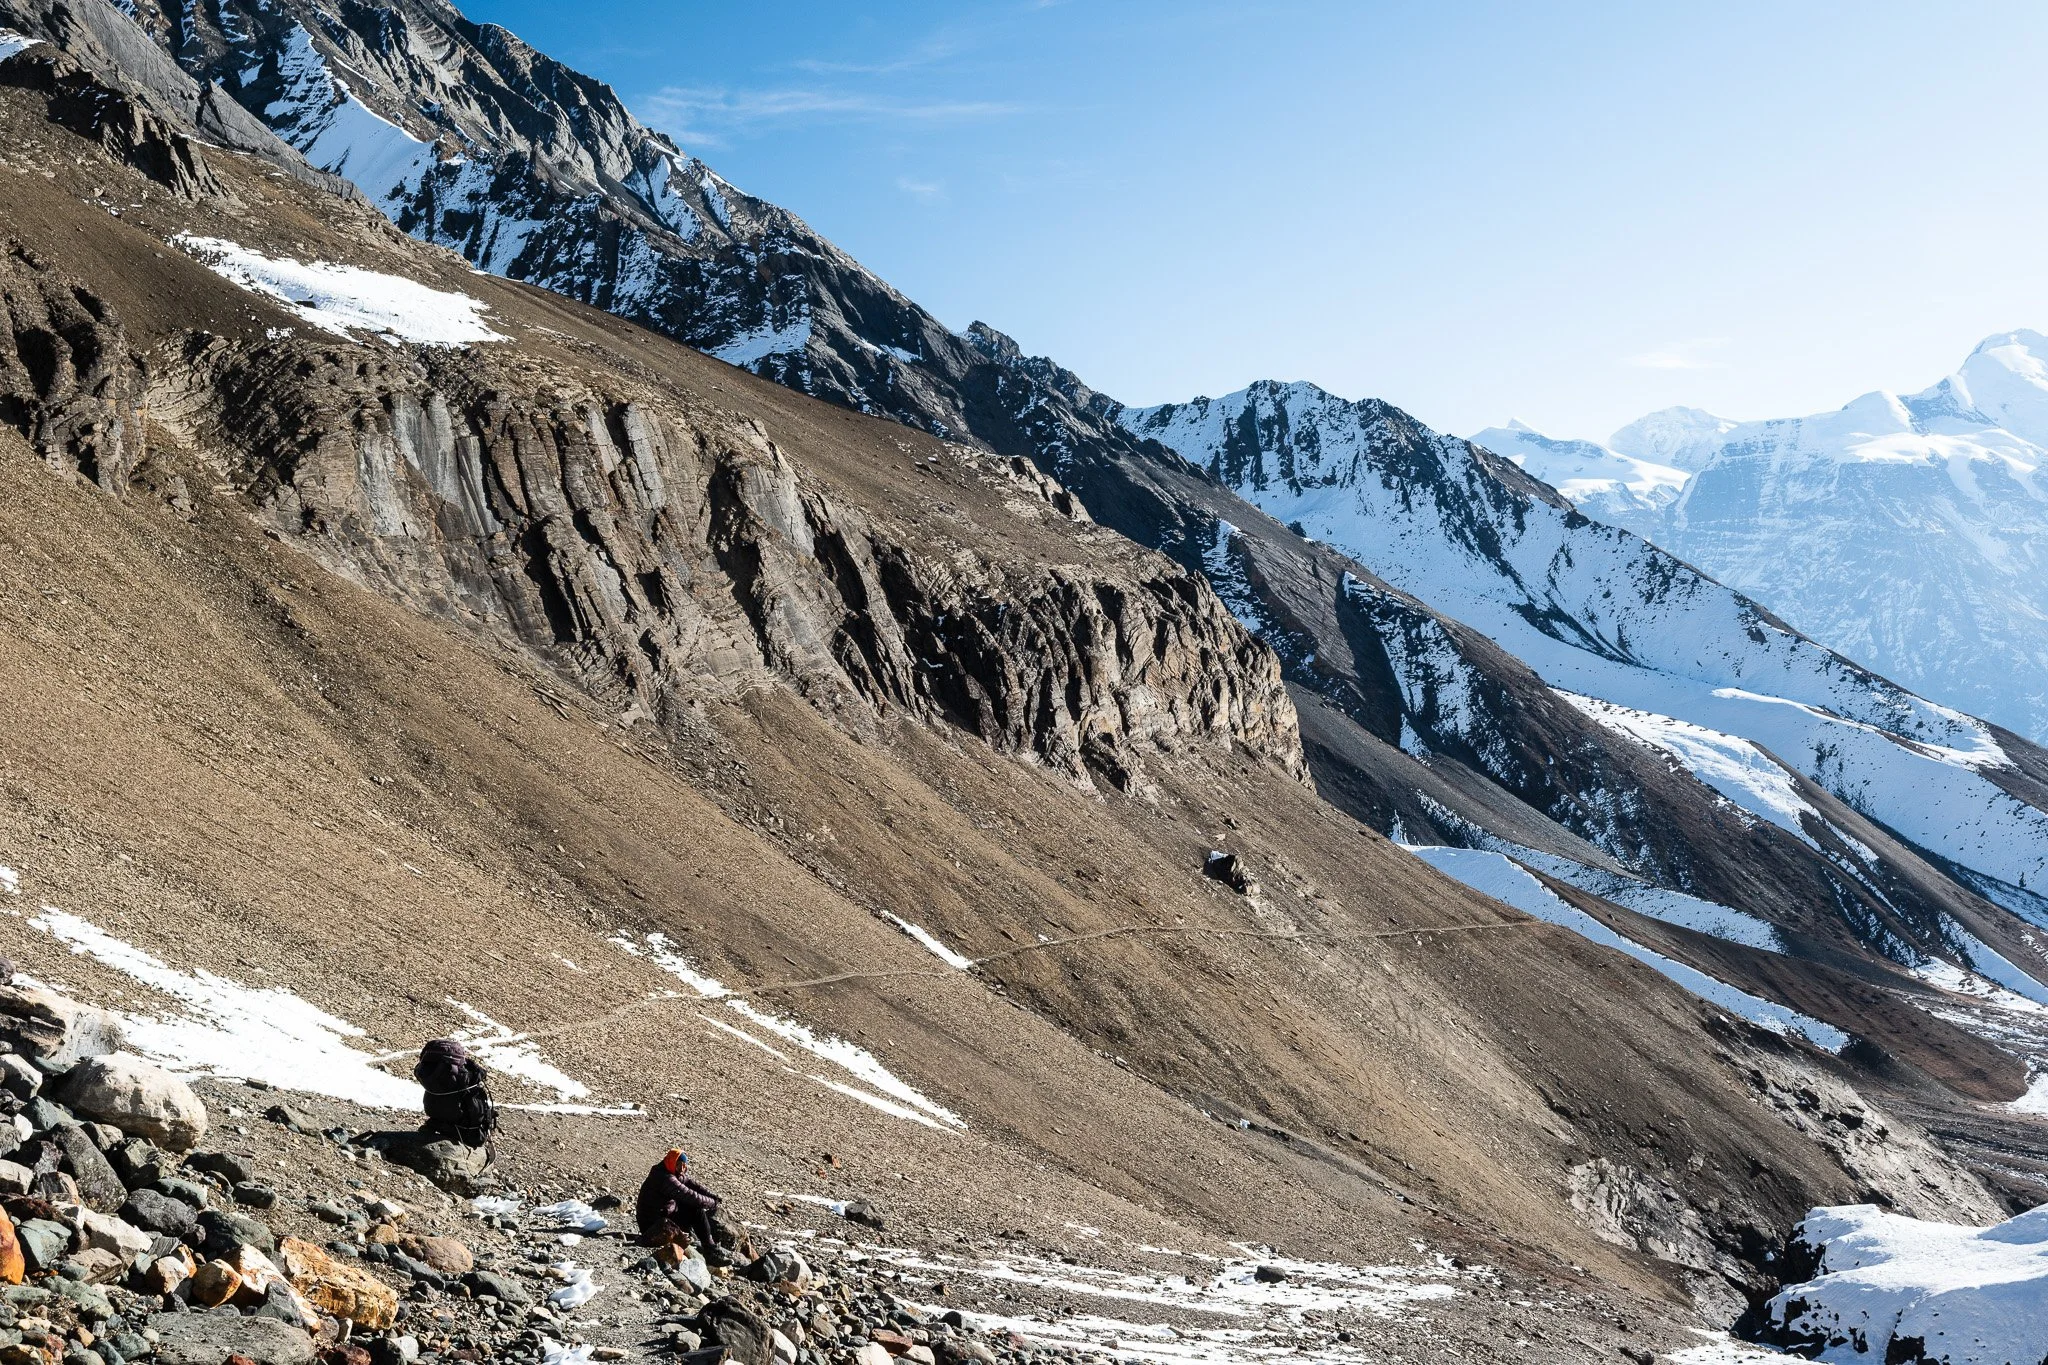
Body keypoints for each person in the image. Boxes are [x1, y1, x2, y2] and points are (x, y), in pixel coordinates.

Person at [637, 1148, 729, 1264]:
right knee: (694, 1206)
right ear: (672, 1162)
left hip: (662, 1217)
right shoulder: (664, 1178)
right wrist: (712, 1203)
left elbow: (692, 1185)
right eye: (679, 1165)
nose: (682, 1169)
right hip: (652, 1225)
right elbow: (690, 1195)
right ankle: (710, 1251)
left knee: (694, 1209)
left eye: (684, 1166)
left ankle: (709, 1248)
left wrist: (712, 1196)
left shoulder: (671, 1172)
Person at [414, 1038, 497, 1151]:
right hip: (465, 1131)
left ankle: (442, 1126)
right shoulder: (464, 1077)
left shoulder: (433, 1078)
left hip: (437, 1117)